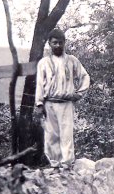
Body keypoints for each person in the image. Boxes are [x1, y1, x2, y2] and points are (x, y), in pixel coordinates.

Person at [35, 28, 90, 168]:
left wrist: (79, 93)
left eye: (60, 43)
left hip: (66, 103)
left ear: (65, 43)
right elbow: (40, 84)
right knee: (51, 134)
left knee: (66, 133)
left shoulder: (72, 60)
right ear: (49, 44)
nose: (58, 46)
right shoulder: (44, 62)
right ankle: (54, 163)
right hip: (49, 103)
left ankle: (67, 163)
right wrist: (39, 104)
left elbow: (84, 76)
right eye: (55, 43)